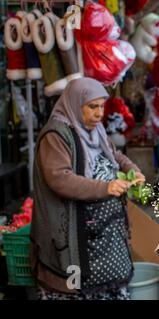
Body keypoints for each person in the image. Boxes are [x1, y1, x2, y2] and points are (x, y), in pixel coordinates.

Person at [31, 78, 145, 300]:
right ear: (75, 103)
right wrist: (106, 187)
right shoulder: (56, 136)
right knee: (75, 288)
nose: (99, 113)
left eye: (102, 106)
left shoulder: (95, 130)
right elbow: (59, 179)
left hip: (103, 236)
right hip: (73, 233)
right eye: (92, 106)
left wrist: (132, 169)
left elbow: (115, 155)